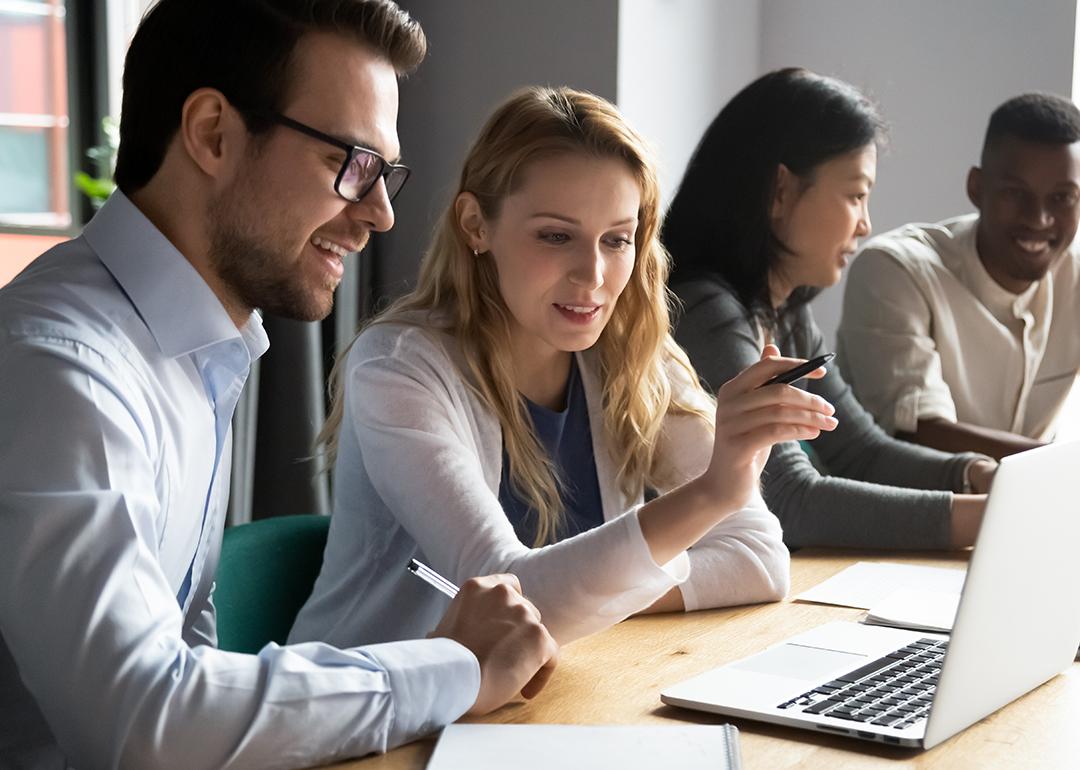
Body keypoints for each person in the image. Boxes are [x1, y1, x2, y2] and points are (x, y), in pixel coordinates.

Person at [0, 1, 558, 767]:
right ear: (213, 135)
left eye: (387, 173)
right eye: (354, 163)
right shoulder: (64, 371)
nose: (382, 214)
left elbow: (188, 656)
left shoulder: (196, 347)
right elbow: (141, 720)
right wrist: (456, 667)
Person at [289, 85, 837, 651]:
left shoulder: (631, 353)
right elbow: (509, 594)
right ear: (476, 225)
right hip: (376, 717)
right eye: (556, 236)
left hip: (543, 695)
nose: (592, 275)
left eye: (617, 240)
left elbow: (759, 560)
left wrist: (588, 597)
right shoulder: (399, 369)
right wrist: (713, 493)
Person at [663, 68, 995, 551]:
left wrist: (973, 473)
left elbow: (861, 452)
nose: (865, 224)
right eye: (856, 195)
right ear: (781, 192)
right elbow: (789, 500)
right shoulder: (702, 311)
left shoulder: (785, 313)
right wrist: (984, 519)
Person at [837, 92, 1080, 460]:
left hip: (1026, 510)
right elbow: (918, 432)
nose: (1039, 218)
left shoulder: (1074, 277)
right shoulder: (895, 270)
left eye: (1063, 198)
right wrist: (1056, 466)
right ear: (977, 188)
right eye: (1016, 194)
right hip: (907, 510)